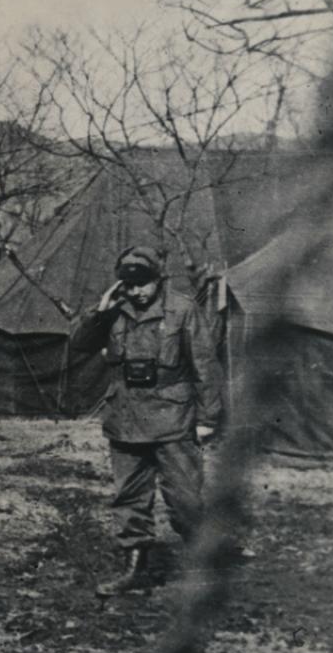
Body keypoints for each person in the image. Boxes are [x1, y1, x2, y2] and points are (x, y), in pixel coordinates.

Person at [70, 246, 223, 597]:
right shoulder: (114, 310)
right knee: (129, 499)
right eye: (129, 284)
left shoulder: (182, 309)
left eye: (144, 284)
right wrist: (101, 311)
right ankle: (136, 570)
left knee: (185, 499)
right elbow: (80, 344)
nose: (137, 291)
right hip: (126, 419)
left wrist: (208, 417)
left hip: (174, 419)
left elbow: (205, 366)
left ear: (159, 280)